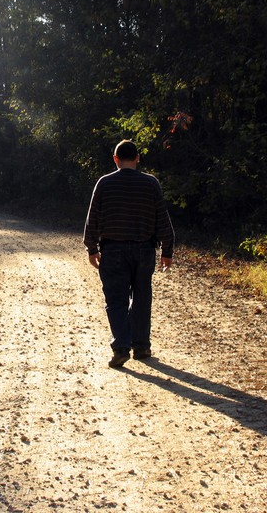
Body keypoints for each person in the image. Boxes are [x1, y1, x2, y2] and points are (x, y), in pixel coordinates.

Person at [82, 139, 174, 368]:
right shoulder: (151, 184)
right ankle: (141, 346)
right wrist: (167, 250)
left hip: (112, 250)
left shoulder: (104, 183)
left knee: (116, 300)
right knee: (142, 297)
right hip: (144, 250)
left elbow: (92, 218)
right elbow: (162, 219)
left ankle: (121, 347)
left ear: (115, 159)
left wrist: (91, 248)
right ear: (137, 159)